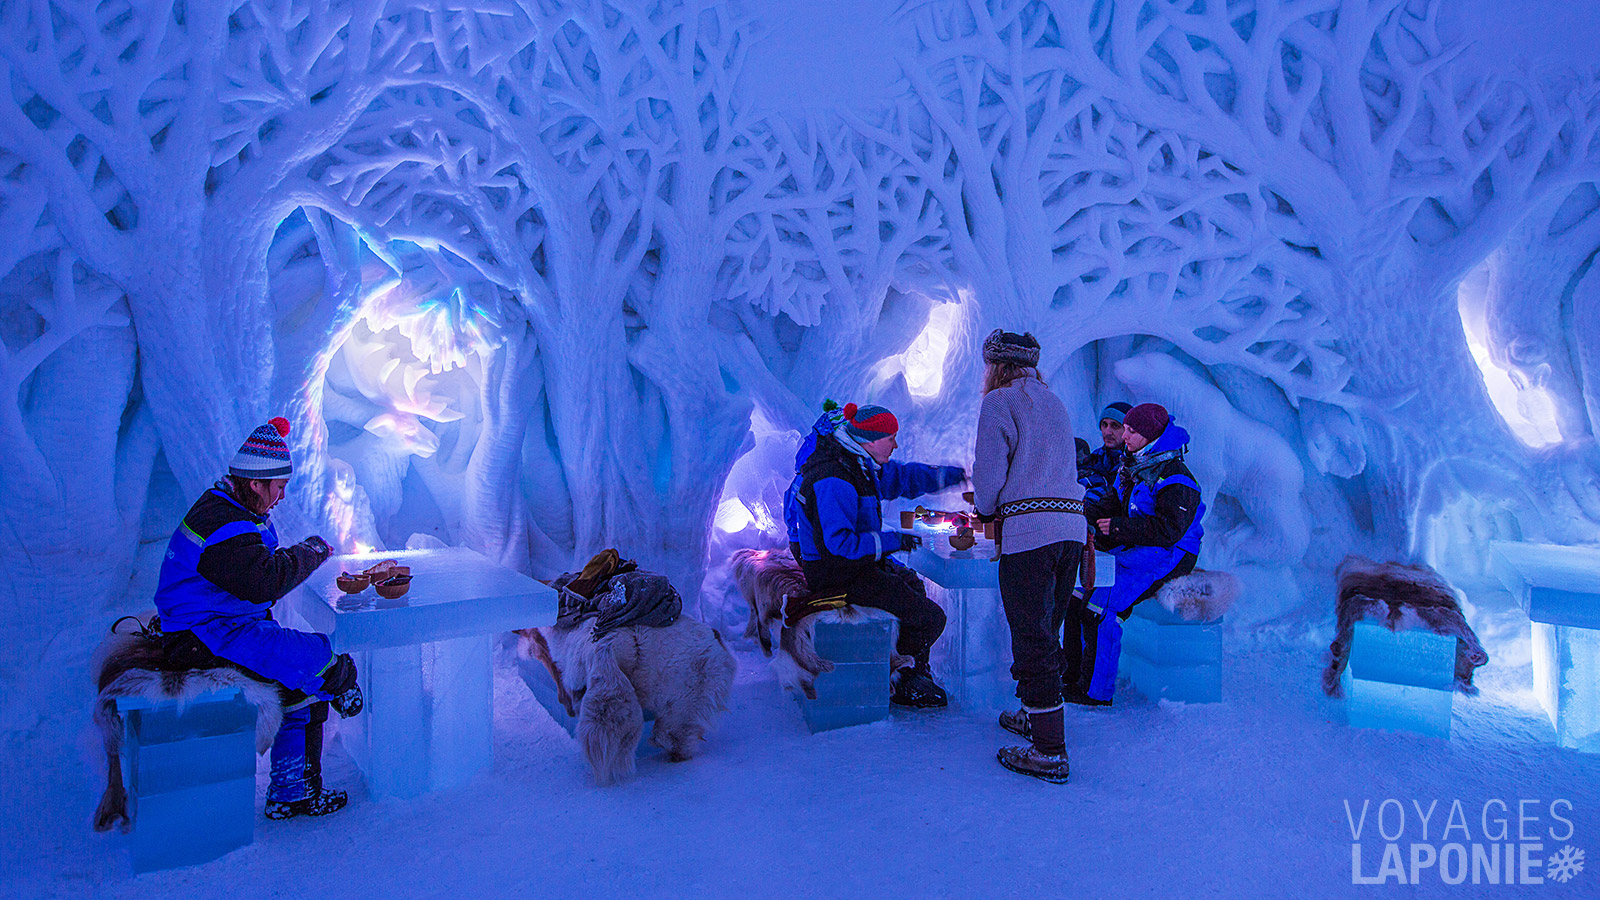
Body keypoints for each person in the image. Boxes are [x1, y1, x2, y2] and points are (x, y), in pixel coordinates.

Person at [152, 417, 362, 819]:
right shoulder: (223, 524)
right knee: (311, 654)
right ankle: (342, 679)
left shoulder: (227, 506)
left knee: (300, 685)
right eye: (279, 487)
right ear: (255, 484)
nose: (281, 496)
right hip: (200, 635)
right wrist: (312, 551)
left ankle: (292, 792)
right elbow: (265, 581)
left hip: (217, 624)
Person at [787, 402, 965, 708]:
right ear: (869, 440)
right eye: (890, 438)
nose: (896, 444)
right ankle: (885, 673)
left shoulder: (858, 463)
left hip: (855, 566)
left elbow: (904, 478)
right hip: (836, 573)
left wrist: (954, 476)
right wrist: (892, 541)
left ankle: (912, 674)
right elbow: (838, 547)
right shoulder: (834, 478)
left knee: (912, 584)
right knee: (931, 619)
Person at [970, 329, 1084, 784]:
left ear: (996, 366)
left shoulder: (999, 402)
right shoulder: (1054, 402)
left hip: (1030, 533)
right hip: (1070, 530)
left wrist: (983, 507)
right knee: (1046, 631)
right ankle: (1034, 714)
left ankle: (1050, 751)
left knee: (1030, 640)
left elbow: (989, 471)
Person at [1076, 403, 1205, 705]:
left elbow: (1169, 530)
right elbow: (1110, 503)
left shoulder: (1176, 476)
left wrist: (1119, 528)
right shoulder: (1134, 466)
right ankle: (1075, 677)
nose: (1125, 436)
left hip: (1172, 553)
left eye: (1132, 431)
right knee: (1082, 591)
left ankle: (1096, 692)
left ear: (1149, 435)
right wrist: (1080, 515)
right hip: (1143, 546)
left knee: (1105, 602)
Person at [1078, 402, 1132, 506]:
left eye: (1115, 426)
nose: (1107, 432)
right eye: (1104, 424)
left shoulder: (1137, 462)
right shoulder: (1094, 459)